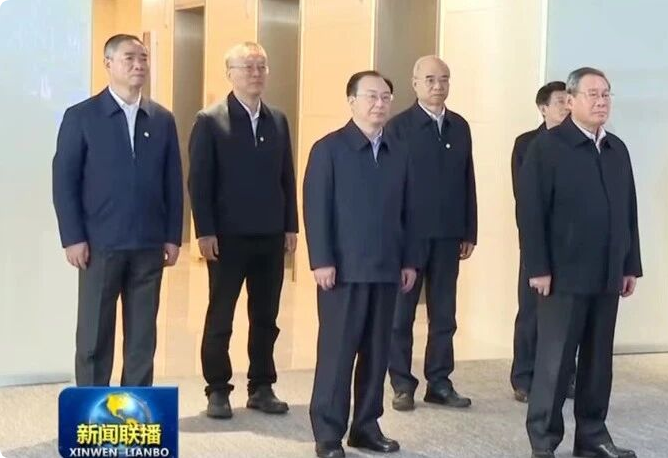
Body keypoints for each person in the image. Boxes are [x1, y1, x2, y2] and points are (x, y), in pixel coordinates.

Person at [518, 67, 641, 458]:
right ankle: (543, 440)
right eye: (592, 94)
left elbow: (628, 211)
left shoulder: (616, 149)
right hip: (562, 276)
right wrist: (538, 267)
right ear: (570, 101)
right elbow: (530, 212)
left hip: (607, 273)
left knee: (598, 362)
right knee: (554, 362)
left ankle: (592, 436)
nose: (601, 101)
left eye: (606, 94)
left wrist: (630, 265)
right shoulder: (547, 147)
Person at [53, 34, 183, 387]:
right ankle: (93, 408)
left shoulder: (162, 119)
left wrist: (173, 236)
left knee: (142, 338)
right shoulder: (82, 116)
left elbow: (173, 182)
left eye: (143, 58)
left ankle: (134, 407)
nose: (139, 64)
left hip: (148, 244)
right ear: (108, 64)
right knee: (94, 336)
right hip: (100, 245)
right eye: (129, 58)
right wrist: (73, 237)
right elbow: (64, 181)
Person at [304, 71, 419, 458]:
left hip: (387, 269)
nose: (379, 103)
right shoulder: (329, 149)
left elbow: (411, 211)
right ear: (351, 101)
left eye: (386, 97)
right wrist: (322, 260)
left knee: (377, 352)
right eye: (371, 96)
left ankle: (366, 426)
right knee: (338, 355)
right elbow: (316, 209)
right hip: (343, 271)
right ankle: (328, 433)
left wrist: (410, 261)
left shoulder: (399, 151)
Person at [188, 41, 297, 419]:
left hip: (270, 235)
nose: (255, 73)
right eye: (247, 67)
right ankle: (217, 389)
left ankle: (262, 385)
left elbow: (287, 176)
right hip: (227, 237)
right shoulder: (210, 120)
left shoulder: (277, 119)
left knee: (266, 316)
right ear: (229, 73)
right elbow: (199, 181)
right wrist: (204, 231)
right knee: (221, 315)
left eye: (261, 66)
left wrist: (291, 226)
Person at [387, 55, 477, 411]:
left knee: (444, 315)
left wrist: (469, 229)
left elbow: (468, 180)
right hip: (409, 237)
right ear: (414, 83)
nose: (438, 86)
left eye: (444, 79)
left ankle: (439, 381)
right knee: (401, 315)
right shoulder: (398, 127)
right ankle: (401, 383)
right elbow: (391, 187)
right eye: (430, 79)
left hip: (448, 235)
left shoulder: (460, 126)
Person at [510, 80, 576, 403]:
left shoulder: (579, 143)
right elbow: (525, 198)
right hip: (537, 240)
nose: (566, 106)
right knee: (531, 312)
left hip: (571, 244)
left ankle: (565, 376)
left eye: (569, 100)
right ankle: (524, 377)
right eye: (560, 101)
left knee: (568, 315)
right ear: (543, 108)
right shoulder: (527, 144)